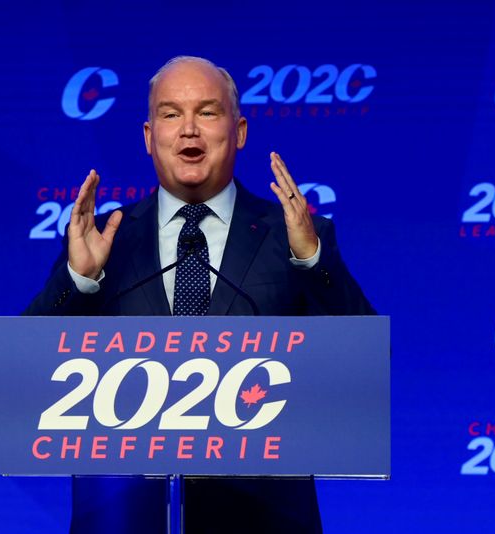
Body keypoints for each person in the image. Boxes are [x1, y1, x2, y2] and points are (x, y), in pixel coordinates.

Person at [25, 56, 374, 533]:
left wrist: (313, 261)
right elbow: (21, 374)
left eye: (207, 112)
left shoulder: (295, 236)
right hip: (125, 518)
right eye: (171, 114)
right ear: (149, 136)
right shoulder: (103, 240)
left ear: (240, 130)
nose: (189, 130)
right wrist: (79, 281)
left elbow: (368, 363)